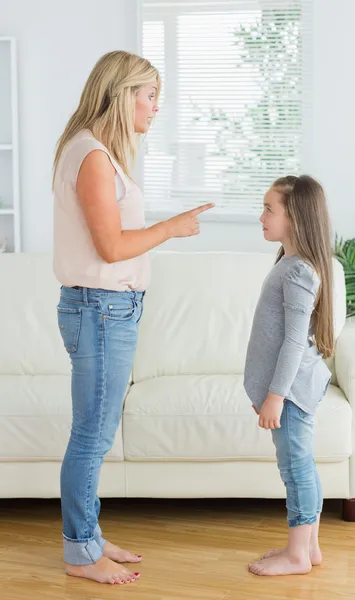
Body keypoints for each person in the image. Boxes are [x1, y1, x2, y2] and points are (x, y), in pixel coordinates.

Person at [53, 50, 213, 585]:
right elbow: (111, 245)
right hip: (101, 310)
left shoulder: (97, 152)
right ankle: (80, 552)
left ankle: (90, 537)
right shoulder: (93, 156)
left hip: (109, 310)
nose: (155, 107)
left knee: (95, 431)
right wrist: (174, 228)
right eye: (150, 96)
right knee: (92, 436)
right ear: (122, 95)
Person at [244, 175, 333, 576]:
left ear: (294, 217)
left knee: (295, 468)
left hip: (292, 393)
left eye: (268, 209)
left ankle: (297, 556)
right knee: (301, 465)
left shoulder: (298, 272)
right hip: (294, 390)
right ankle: (307, 547)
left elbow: (295, 342)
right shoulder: (291, 263)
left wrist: (275, 395)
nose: (260, 216)